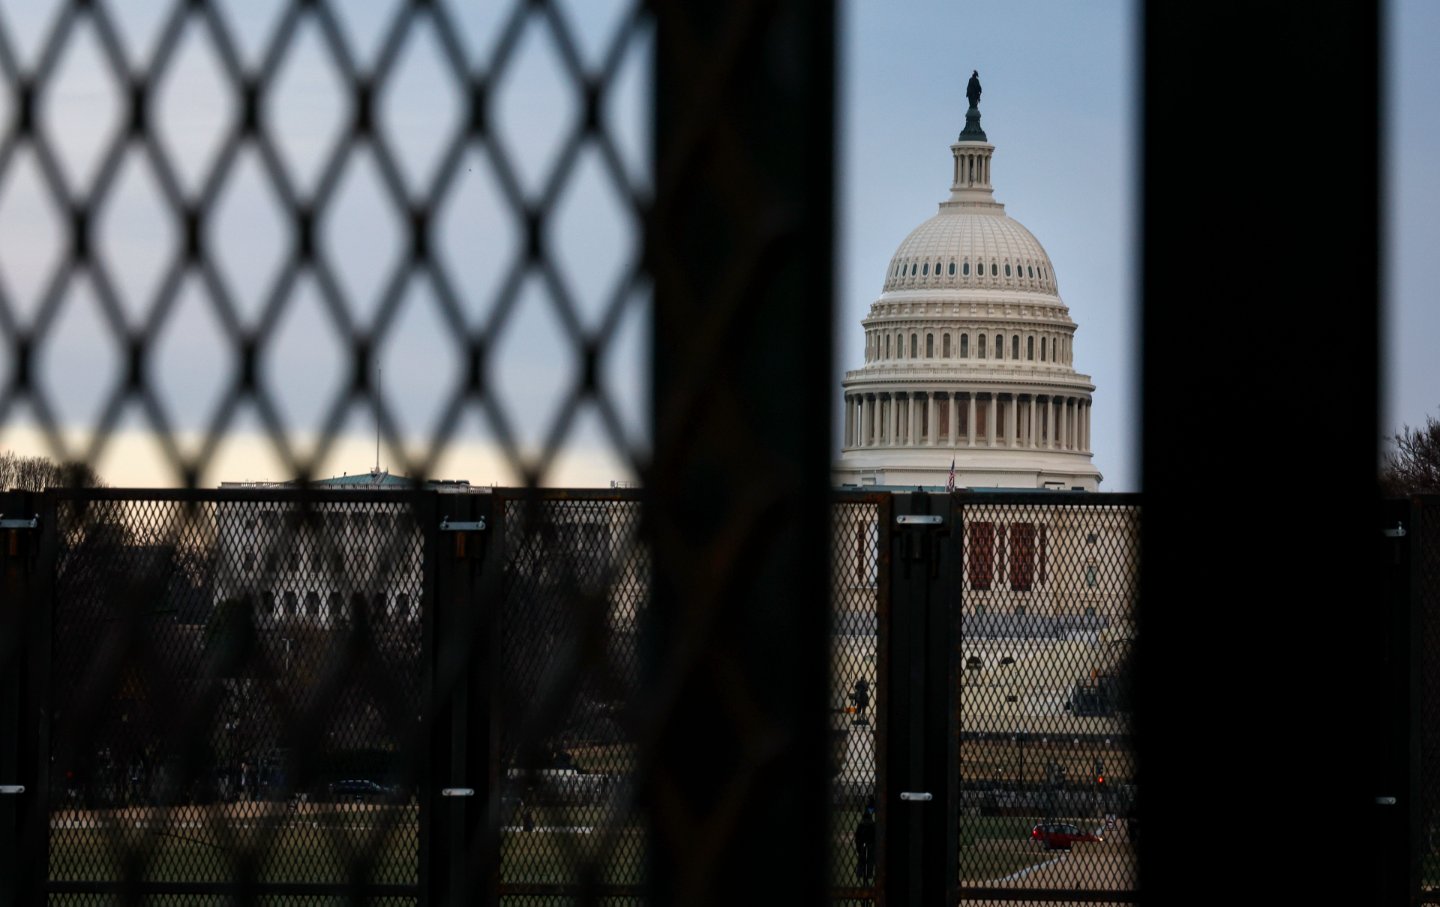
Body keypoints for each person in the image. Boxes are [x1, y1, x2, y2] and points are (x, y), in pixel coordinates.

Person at [854, 801, 877, 883]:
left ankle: (862, 875)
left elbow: (857, 837)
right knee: (869, 861)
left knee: (862, 860)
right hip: (870, 845)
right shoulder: (873, 825)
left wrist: (858, 847)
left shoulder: (861, 825)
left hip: (863, 845)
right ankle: (867, 875)